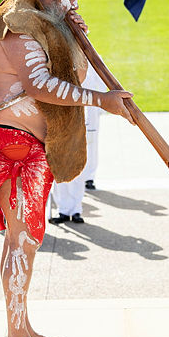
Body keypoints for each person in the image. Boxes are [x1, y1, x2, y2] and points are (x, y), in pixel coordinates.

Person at [0, 0, 133, 337]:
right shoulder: (19, 23)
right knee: (22, 241)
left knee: (23, 241)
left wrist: (74, 35)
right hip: (11, 147)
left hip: (27, 146)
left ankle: (22, 327)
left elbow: (66, 70)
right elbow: (40, 85)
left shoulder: (41, 18)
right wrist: (103, 101)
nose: (72, 2)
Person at [49, 63, 106, 223]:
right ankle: (63, 209)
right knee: (60, 168)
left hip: (82, 122)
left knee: (77, 170)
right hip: (59, 123)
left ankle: (75, 209)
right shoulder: (57, 59)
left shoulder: (90, 60)